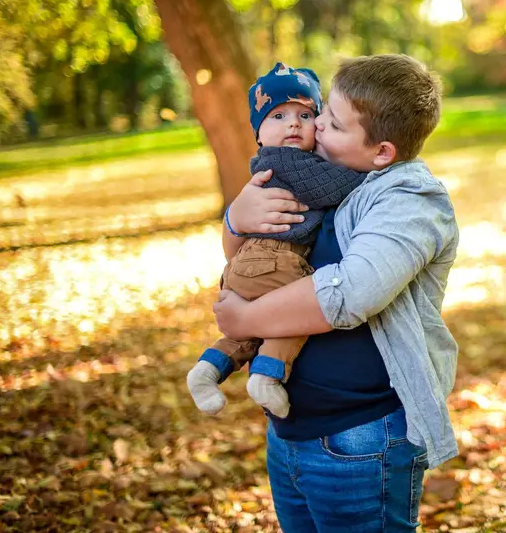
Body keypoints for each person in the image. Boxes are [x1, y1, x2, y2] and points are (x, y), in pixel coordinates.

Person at [213, 54, 460, 532]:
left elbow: (351, 292)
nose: (316, 125)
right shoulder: (312, 173)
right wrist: (234, 219)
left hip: (360, 437)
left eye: (333, 122)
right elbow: (247, 250)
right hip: (289, 430)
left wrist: (245, 323)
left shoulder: (409, 201)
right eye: (322, 112)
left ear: (383, 151)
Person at [187, 62, 366, 418]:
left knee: (245, 334)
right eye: (279, 115)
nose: (293, 124)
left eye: (304, 114)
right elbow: (331, 186)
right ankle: (267, 376)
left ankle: (207, 370)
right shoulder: (287, 162)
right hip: (277, 261)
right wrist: (366, 176)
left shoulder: (283, 162)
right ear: (258, 132)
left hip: (249, 266)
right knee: (294, 316)